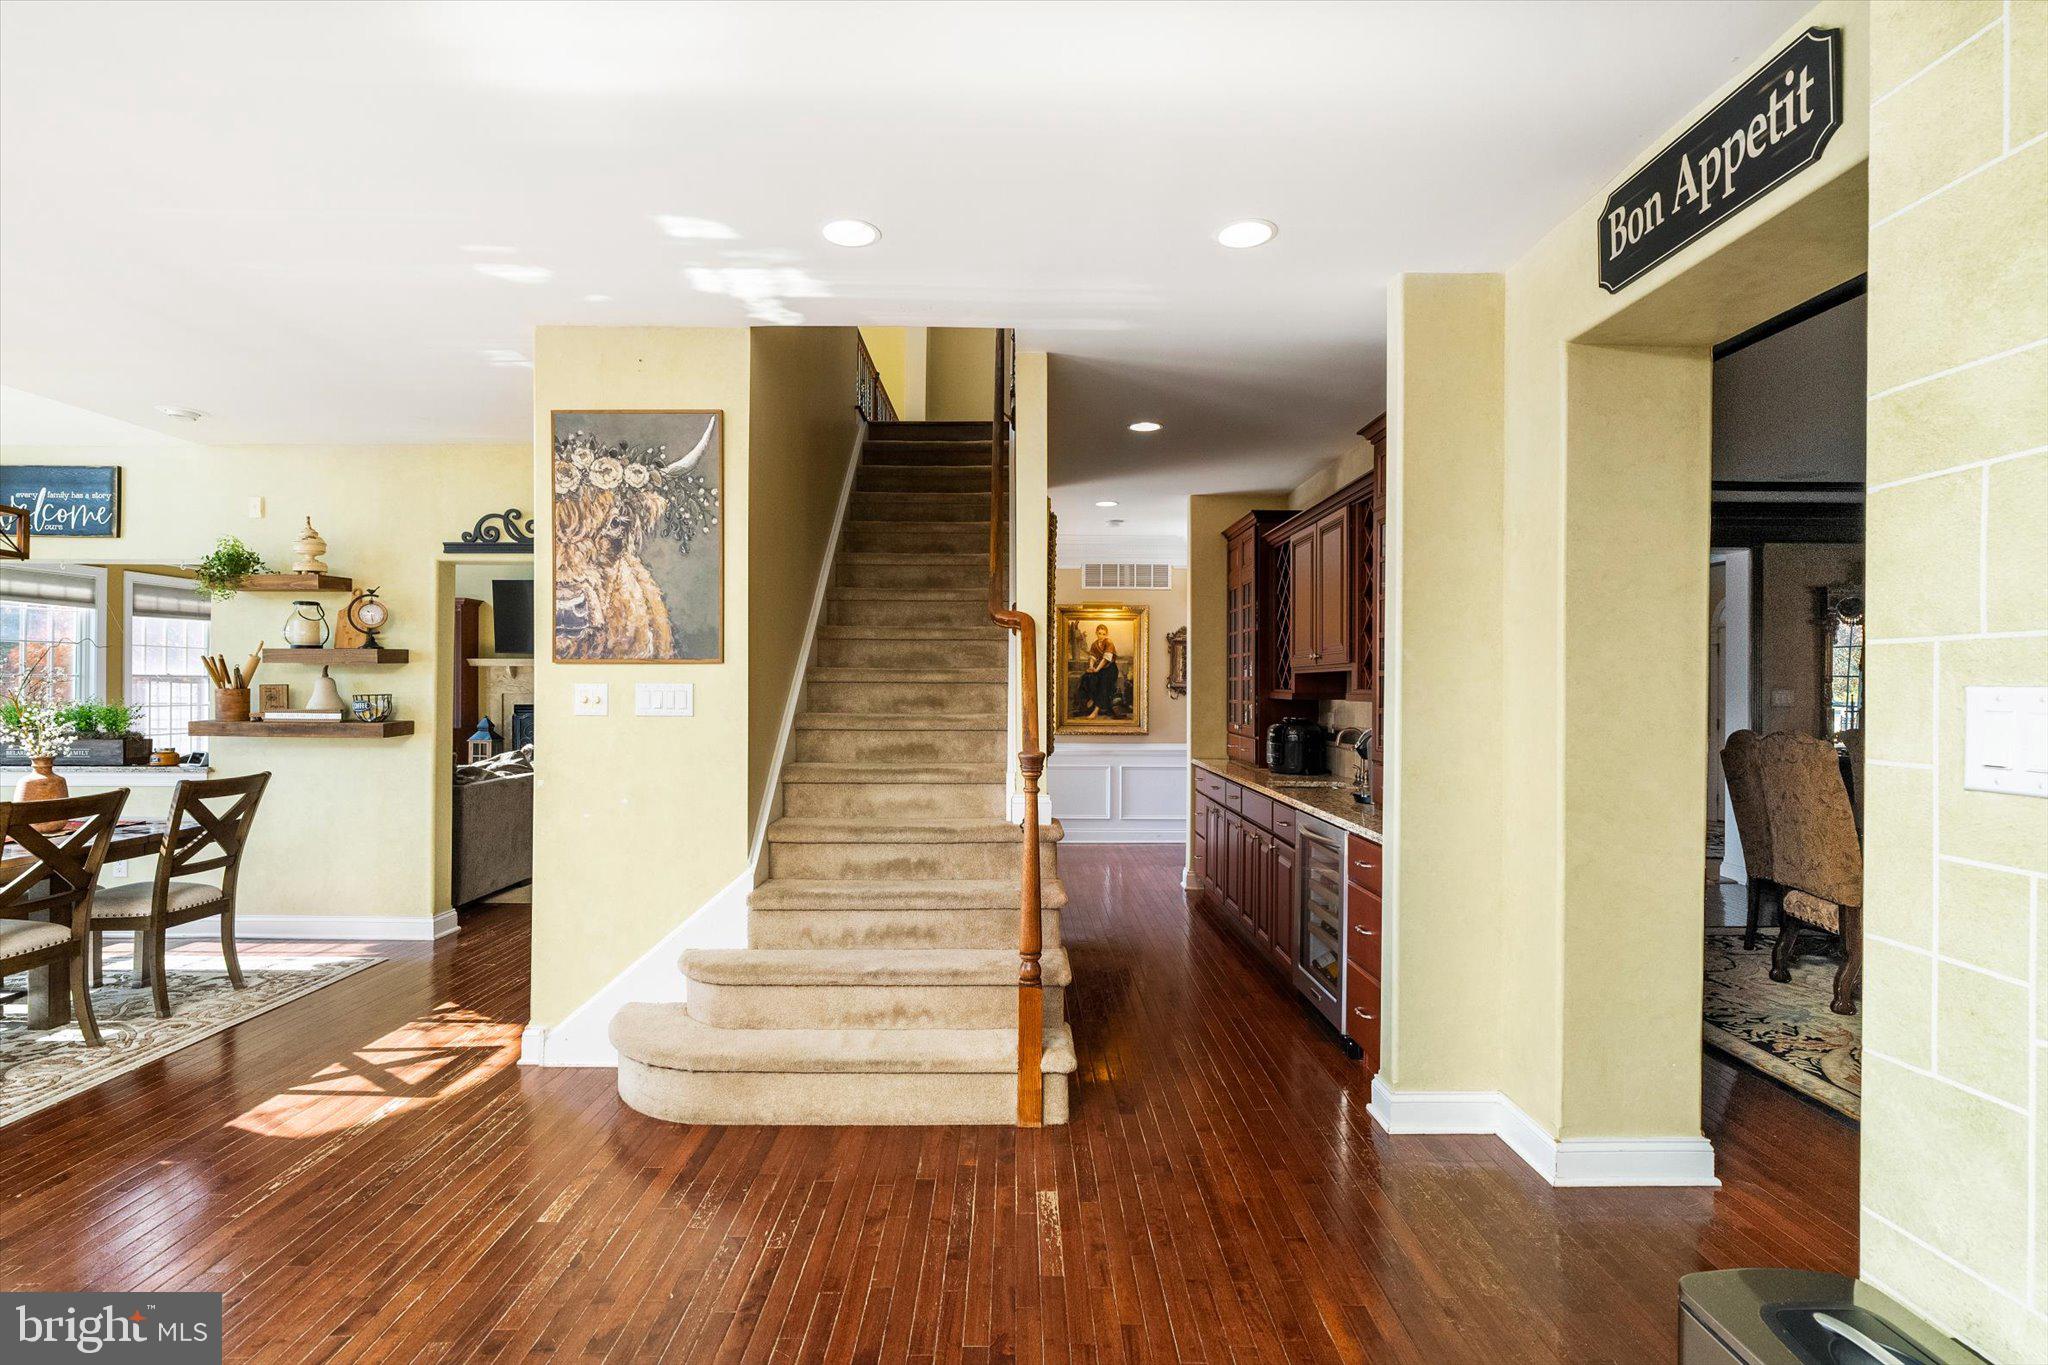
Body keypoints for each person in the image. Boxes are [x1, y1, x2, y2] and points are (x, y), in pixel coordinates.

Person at [1076, 624, 1120, 717]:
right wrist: (1091, 667)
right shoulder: (1094, 644)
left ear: (1106, 634)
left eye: (1103, 634)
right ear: (1096, 633)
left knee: (1103, 682)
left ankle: (1096, 710)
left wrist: (1097, 669)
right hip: (1099, 668)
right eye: (1099, 633)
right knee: (1086, 677)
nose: (1101, 636)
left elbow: (1105, 660)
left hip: (1110, 669)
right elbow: (1092, 657)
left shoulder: (1109, 642)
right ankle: (1092, 698)